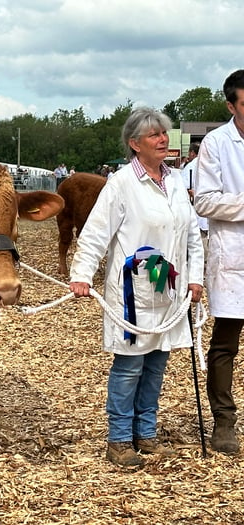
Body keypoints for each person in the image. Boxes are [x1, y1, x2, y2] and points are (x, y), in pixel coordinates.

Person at [69, 107, 204, 468]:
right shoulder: (121, 184)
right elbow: (97, 233)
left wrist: (195, 278)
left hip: (169, 291)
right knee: (129, 367)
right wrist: (81, 273)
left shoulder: (175, 181)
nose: (163, 139)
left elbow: (192, 234)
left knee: (157, 364)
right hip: (133, 292)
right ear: (134, 144)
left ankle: (146, 433)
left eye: (164, 133)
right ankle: (118, 440)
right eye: (154, 135)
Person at [194, 69, 244, 455]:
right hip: (233, 256)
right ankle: (224, 422)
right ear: (231, 105)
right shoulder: (215, 144)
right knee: (225, 345)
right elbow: (204, 201)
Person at [181, 142, 209, 236]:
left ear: (192, 153)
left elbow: (182, 189)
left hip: (197, 219)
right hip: (212, 221)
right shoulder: (211, 163)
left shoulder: (190, 167)